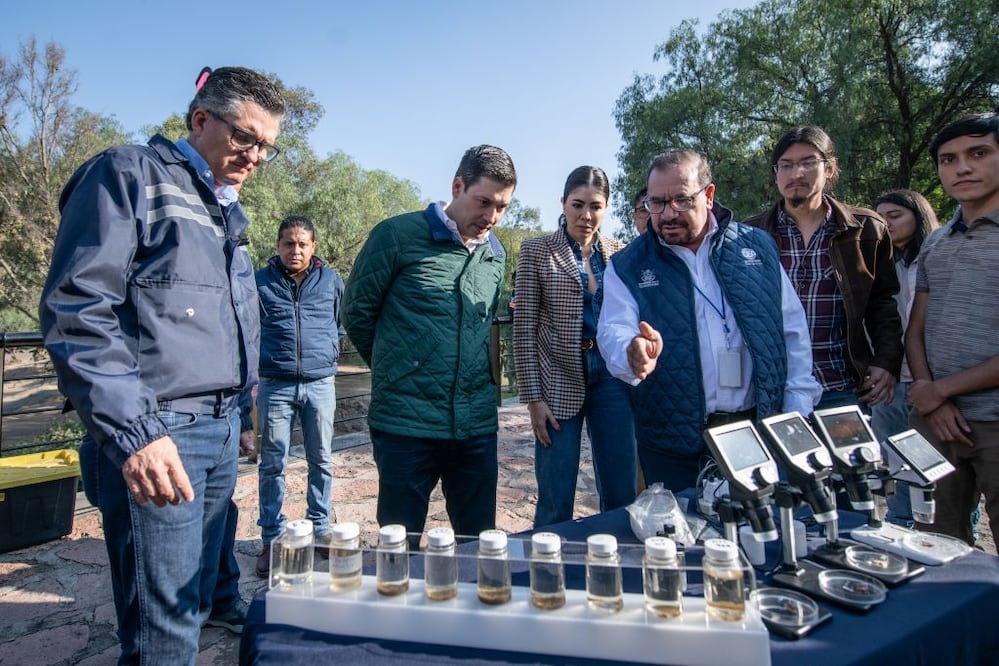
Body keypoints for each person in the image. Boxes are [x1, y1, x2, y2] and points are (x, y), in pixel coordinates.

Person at [39, 66, 284, 664]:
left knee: (191, 603)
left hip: (220, 429)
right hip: (159, 434)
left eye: (266, 148)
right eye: (245, 138)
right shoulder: (128, 174)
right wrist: (136, 434)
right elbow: (78, 308)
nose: (254, 156)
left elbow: (228, 321)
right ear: (201, 120)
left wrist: (243, 413)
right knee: (163, 628)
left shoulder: (227, 210)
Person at [598, 150, 822, 492]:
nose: (668, 213)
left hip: (759, 432)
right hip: (674, 442)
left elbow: (792, 330)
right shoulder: (627, 265)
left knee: (757, 535)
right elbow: (614, 329)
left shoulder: (757, 247)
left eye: (681, 200)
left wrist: (796, 408)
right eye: (656, 203)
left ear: (709, 195)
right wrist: (631, 351)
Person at [342, 145, 516, 540]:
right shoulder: (396, 236)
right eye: (483, 201)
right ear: (458, 186)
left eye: (503, 206)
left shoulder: (495, 254)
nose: (491, 217)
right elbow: (356, 314)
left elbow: (483, 323)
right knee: (399, 546)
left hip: (474, 425)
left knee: (479, 543)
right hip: (405, 423)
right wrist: (403, 366)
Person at [744, 126, 903, 411]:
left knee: (847, 458)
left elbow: (883, 305)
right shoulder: (749, 235)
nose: (797, 174)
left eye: (808, 162)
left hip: (839, 385)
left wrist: (887, 361)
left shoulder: (866, 229)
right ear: (776, 173)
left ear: (830, 169)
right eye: (786, 165)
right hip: (771, 389)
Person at [513, 166, 637, 527]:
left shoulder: (621, 253)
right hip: (558, 379)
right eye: (577, 204)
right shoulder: (537, 251)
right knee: (555, 492)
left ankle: (617, 566)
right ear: (563, 203)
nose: (586, 215)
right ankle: (548, 574)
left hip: (612, 378)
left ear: (607, 207)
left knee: (621, 490)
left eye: (595, 206)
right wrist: (533, 399)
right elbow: (524, 331)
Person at [905, 112, 999, 547]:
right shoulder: (936, 242)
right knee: (934, 542)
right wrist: (929, 394)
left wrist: (939, 391)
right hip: (935, 421)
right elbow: (916, 329)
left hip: (993, 421)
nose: (962, 168)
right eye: (948, 159)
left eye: (978, 154)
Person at [254, 215, 345, 578]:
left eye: (302, 244)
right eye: (289, 244)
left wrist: (328, 354)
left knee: (321, 459)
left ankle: (320, 530)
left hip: (320, 383)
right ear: (278, 246)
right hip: (275, 384)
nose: (296, 250)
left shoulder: (331, 281)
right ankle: (271, 537)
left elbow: (339, 322)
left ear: (313, 247)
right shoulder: (258, 282)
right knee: (272, 463)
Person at [867, 190, 939, 523]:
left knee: (938, 472)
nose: (886, 224)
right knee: (897, 464)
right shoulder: (879, 264)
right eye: (880, 218)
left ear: (919, 216)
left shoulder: (938, 257)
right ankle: (901, 528)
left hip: (938, 382)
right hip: (892, 380)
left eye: (895, 216)